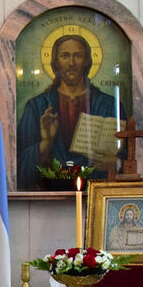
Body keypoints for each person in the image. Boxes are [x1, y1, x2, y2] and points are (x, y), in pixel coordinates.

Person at [16, 34, 126, 189]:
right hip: (49, 191)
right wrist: (46, 142)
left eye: (78, 56)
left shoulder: (109, 105)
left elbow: (127, 156)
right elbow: (18, 166)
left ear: (87, 61)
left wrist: (115, 163)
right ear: (55, 62)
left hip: (96, 191)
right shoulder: (37, 106)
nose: (71, 63)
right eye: (65, 56)